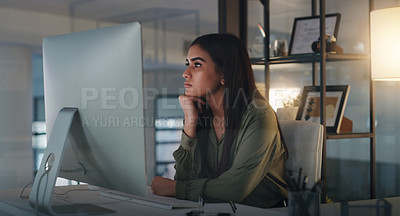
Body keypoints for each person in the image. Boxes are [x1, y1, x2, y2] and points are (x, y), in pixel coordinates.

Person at [151, 33, 288, 208]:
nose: (186, 73)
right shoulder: (203, 115)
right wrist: (190, 122)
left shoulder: (258, 114)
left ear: (224, 73)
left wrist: (176, 188)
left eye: (197, 65)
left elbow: (234, 189)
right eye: (188, 64)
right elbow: (184, 179)